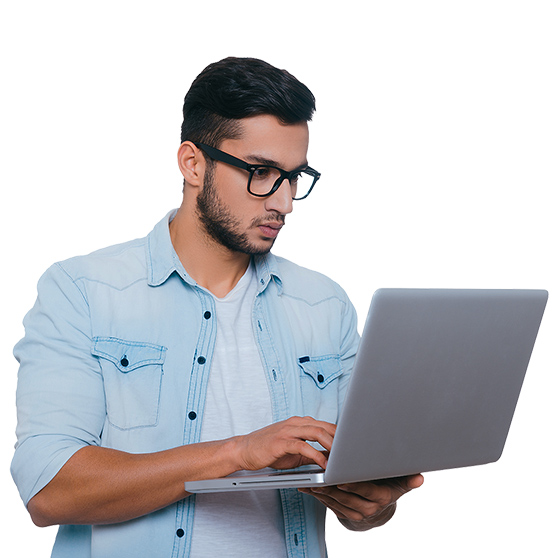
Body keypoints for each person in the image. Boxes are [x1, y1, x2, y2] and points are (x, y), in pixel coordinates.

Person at [12, 57, 423, 558]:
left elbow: (357, 486)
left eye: (295, 176)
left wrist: (372, 506)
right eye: (261, 172)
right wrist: (238, 452)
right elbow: (48, 489)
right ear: (192, 163)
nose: (284, 202)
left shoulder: (325, 305)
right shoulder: (82, 291)